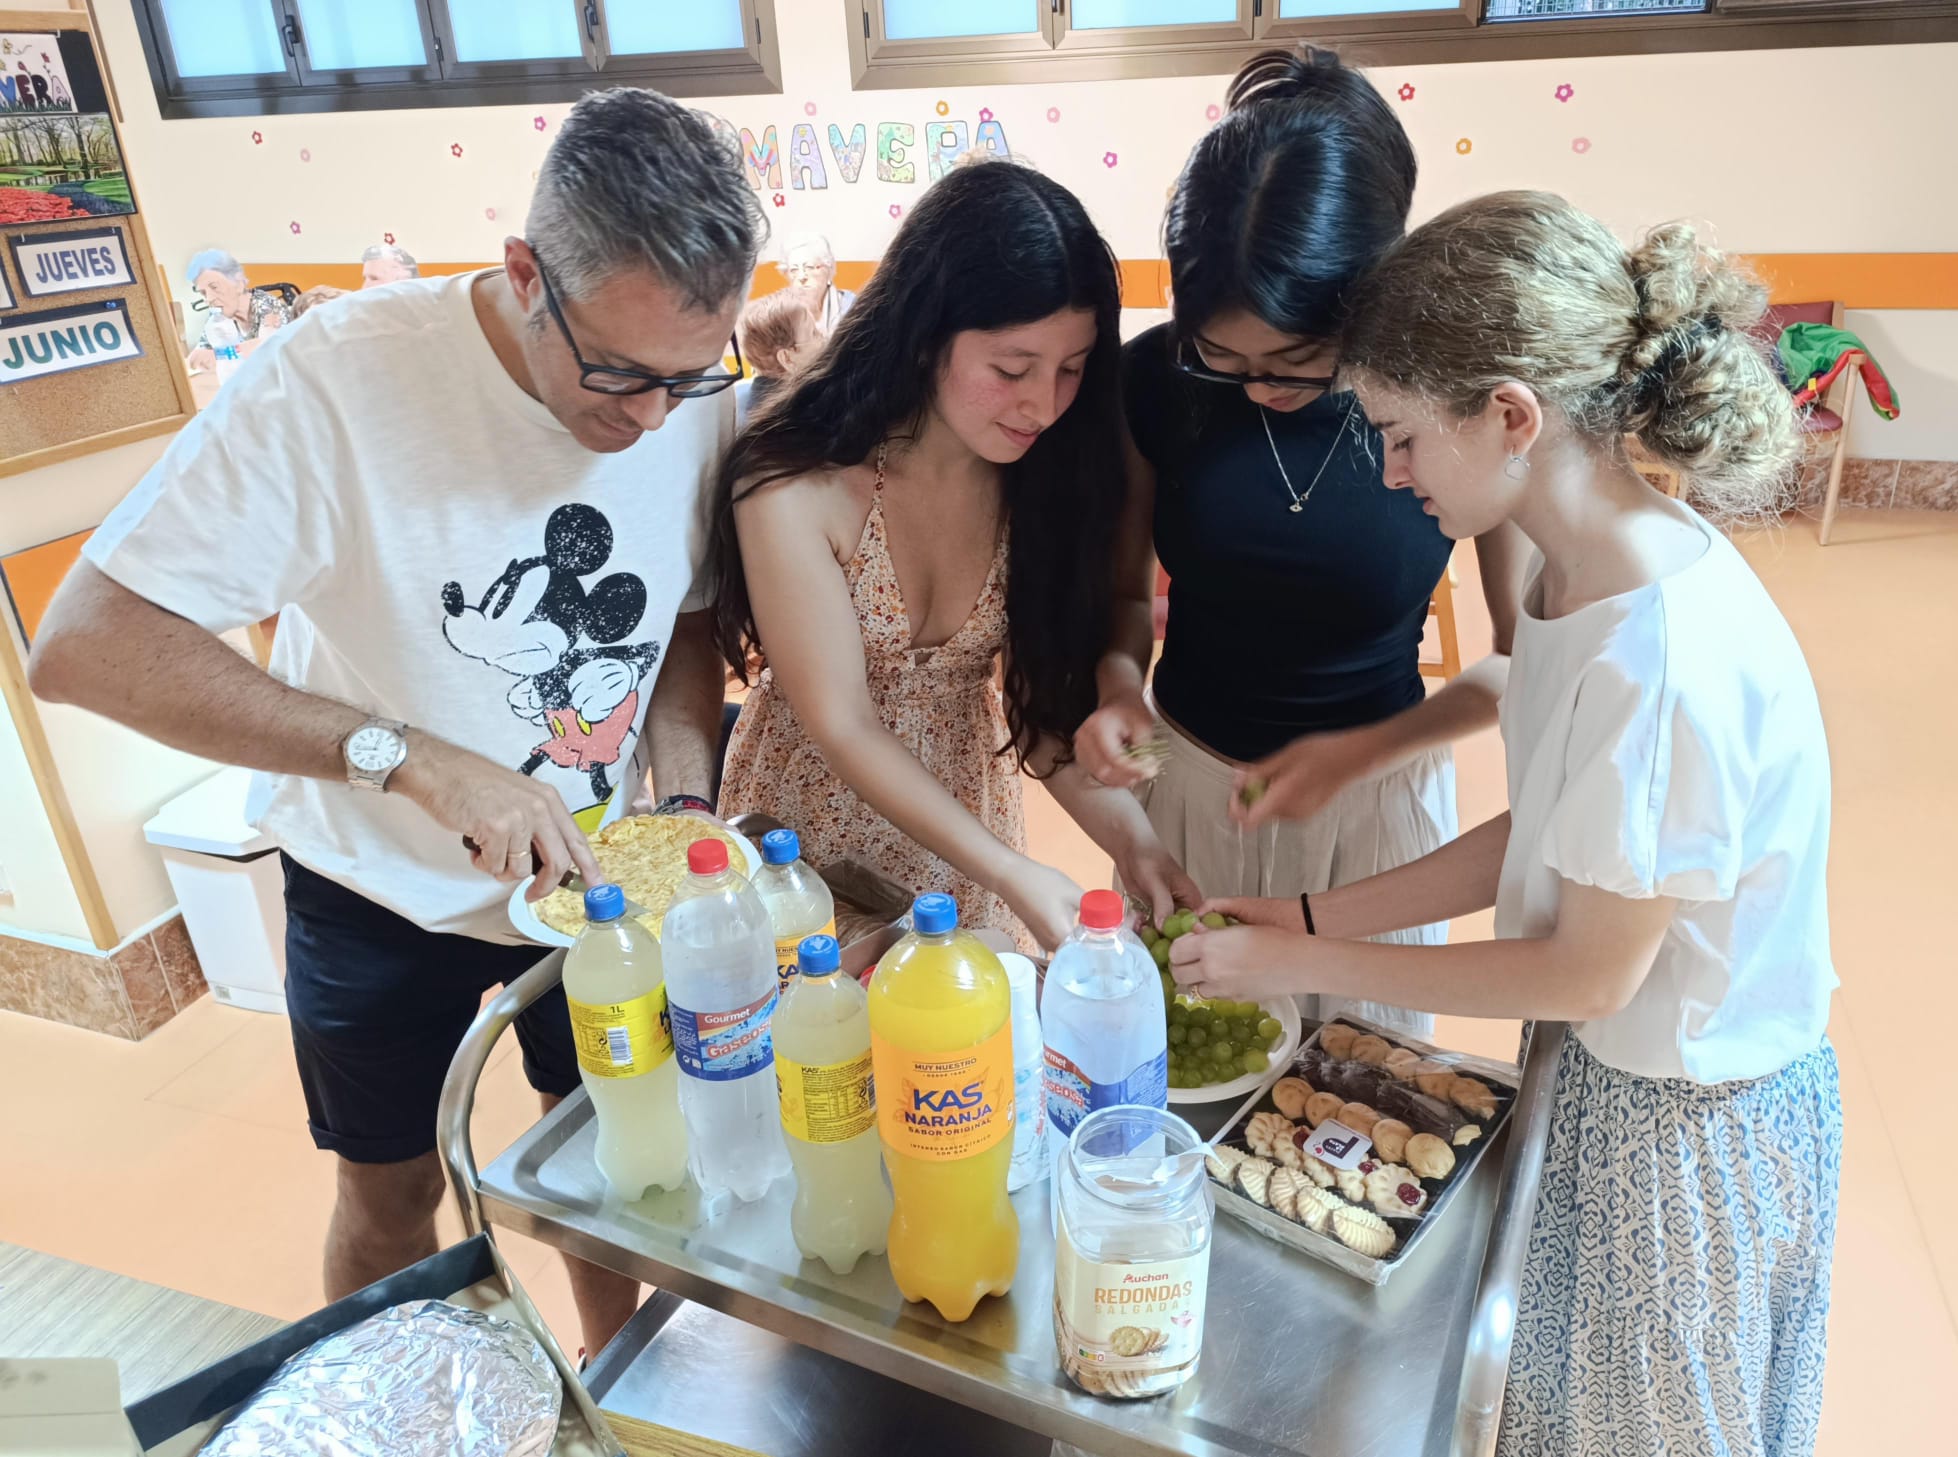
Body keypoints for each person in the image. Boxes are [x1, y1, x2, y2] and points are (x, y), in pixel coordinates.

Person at [29, 87, 764, 1357]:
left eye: (685, 378)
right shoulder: (338, 378)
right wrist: (408, 757)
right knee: (388, 1197)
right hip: (375, 889)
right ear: (526, 276)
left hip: (597, 888)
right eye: (617, 374)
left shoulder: (688, 386)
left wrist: (684, 796)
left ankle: (619, 1401)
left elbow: (684, 619)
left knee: (626, 1169)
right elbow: (82, 644)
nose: (651, 417)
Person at [1173, 191, 1838, 1457]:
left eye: (1401, 436)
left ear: (1511, 415)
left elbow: (1585, 968)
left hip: (1685, 1123)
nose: (1390, 473)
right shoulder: (1571, 573)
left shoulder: (1659, 657)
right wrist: (1303, 916)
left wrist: (1298, 960)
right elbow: (1547, 830)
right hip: (1601, 1075)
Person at [1075, 47, 1527, 1032]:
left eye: (1296, 360)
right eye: (1221, 356)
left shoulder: (1451, 403)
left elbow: (1520, 662)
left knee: (1365, 1085)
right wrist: (1117, 686)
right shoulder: (1154, 382)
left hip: (1379, 814)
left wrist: (1362, 750)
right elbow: (1125, 597)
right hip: (1189, 791)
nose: (1258, 388)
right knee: (1185, 1066)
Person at [711, 162, 1187, 952]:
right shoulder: (793, 479)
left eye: (1071, 369)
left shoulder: (1039, 476)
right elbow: (844, 723)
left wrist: (1135, 842)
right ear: (927, 332)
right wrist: (1009, 870)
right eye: (1012, 369)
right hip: (808, 834)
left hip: (966, 824)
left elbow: (1038, 717)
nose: (1044, 404)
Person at [183, 249, 291, 372]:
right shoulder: (218, 316)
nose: (209, 298)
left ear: (239, 284)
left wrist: (219, 354)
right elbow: (202, 351)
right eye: (203, 293)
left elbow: (268, 345)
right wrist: (196, 358)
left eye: (214, 287)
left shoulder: (268, 305)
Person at [733, 289, 818, 428]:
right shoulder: (804, 414)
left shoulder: (739, 398)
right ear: (787, 359)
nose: (823, 336)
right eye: (814, 333)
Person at [781, 232, 855, 337]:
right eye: (794, 270)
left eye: (809, 267)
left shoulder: (852, 307)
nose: (801, 277)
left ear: (828, 269)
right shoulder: (781, 313)